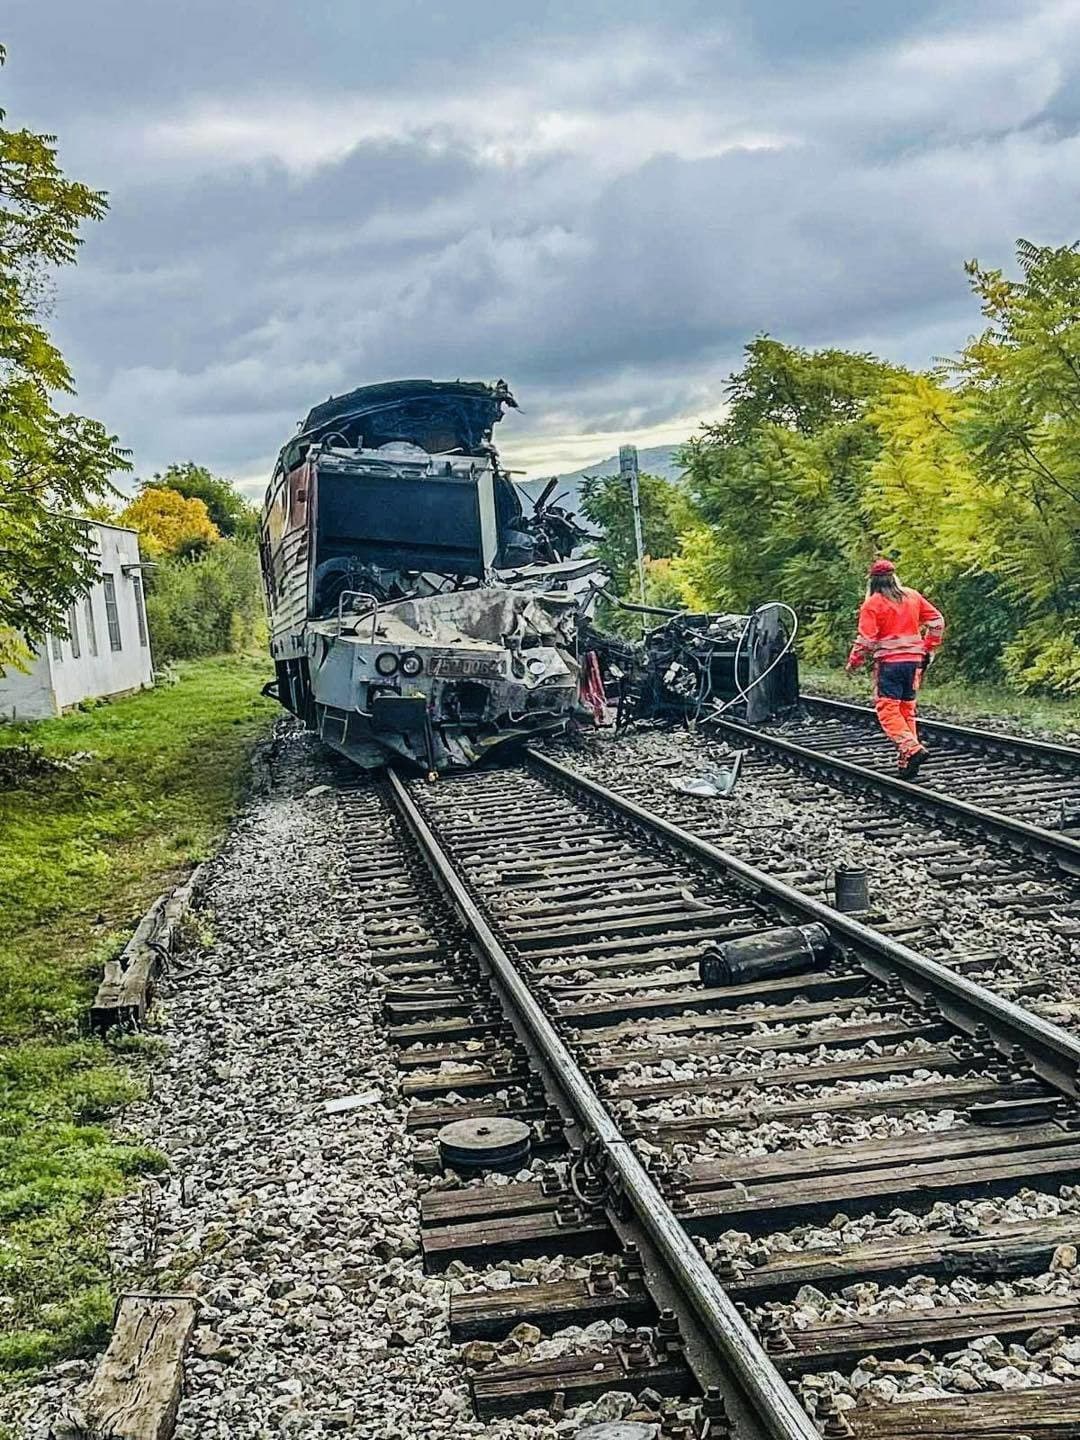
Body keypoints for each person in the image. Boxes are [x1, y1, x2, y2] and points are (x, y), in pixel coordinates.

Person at [845, 559, 945, 778]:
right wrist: (928, 647)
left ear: (872, 582)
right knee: (906, 709)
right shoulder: (912, 596)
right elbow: (937, 622)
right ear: (894, 577)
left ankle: (912, 748)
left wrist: (854, 663)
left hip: (890, 664)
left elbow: (866, 641)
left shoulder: (873, 604)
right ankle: (907, 760)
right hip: (914, 662)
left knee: (888, 710)